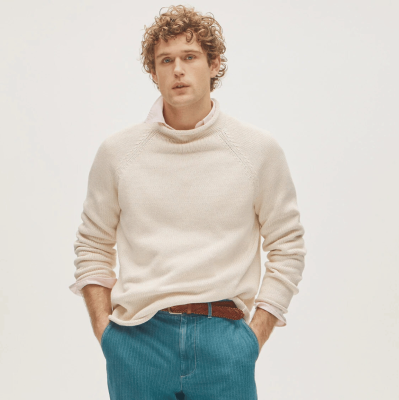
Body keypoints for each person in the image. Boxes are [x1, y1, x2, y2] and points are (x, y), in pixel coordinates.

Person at [69, 5, 307, 399]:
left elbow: (287, 245)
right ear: (154, 72)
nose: (178, 69)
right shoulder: (118, 153)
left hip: (224, 338)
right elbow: (92, 244)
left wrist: (253, 337)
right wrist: (105, 332)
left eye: (190, 57)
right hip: (137, 341)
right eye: (166, 60)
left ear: (214, 65)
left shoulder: (256, 151)